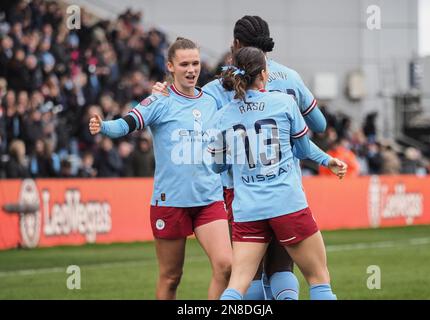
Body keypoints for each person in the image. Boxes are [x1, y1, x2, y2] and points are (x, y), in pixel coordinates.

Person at [152, 15, 336, 300]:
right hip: (285, 189)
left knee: (245, 276)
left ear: (235, 45)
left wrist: (162, 94)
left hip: (241, 195)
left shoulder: (220, 91)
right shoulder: (289, 81)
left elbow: (190, 104)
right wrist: (323, 158)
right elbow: (320, 126)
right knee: (289, 269)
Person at [89, 37, 232, 300]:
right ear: (170, 66)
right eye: (184, 64)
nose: (191, 70)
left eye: (196, 63)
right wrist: (104, 126)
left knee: (226, 266)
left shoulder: (212, 100)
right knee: (171, 277)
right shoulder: (159, 101)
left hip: (209, 199)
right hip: (171, 202)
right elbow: (127, 123)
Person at [208, 47, 343, 300]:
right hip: (286, 203)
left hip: (248, 209)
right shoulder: (284, 103)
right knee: (319, 280)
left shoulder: (222, 117)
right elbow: (302, 150)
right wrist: (325, 160)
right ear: (263, 74)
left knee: (237, 285)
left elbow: (217, 167)